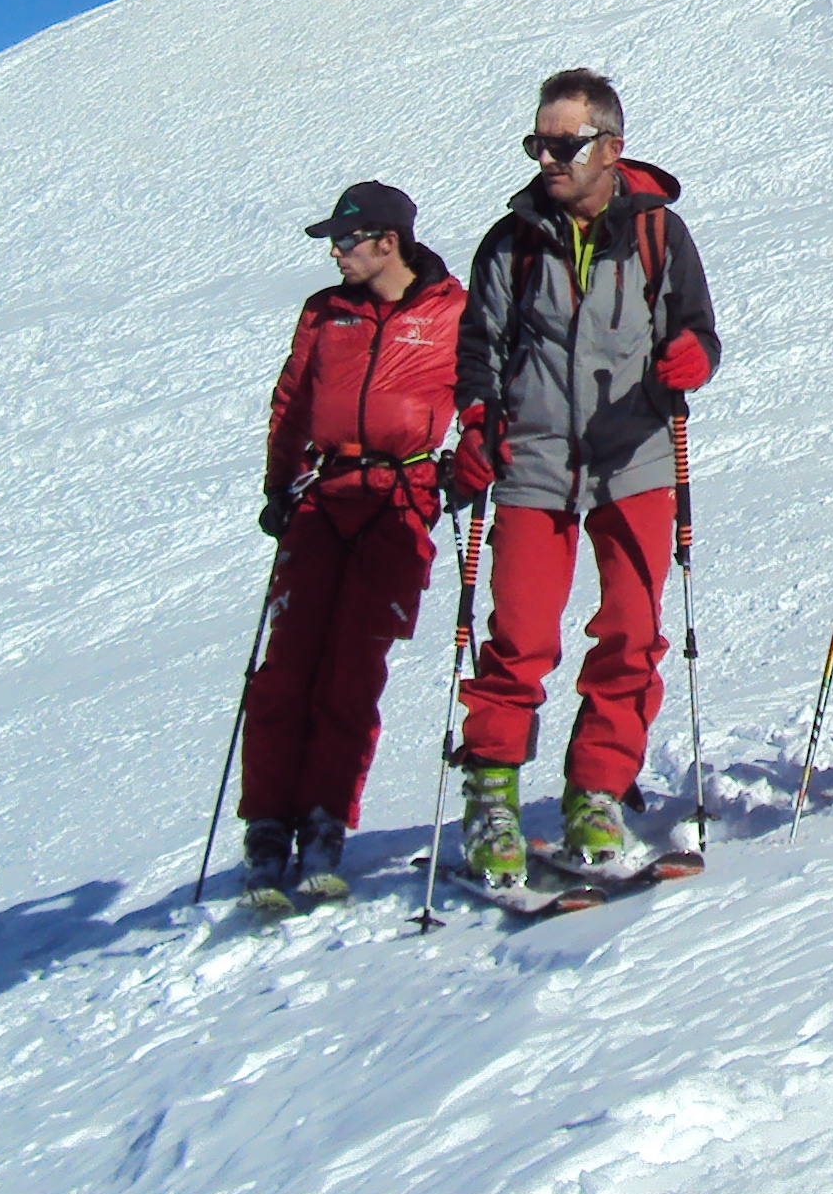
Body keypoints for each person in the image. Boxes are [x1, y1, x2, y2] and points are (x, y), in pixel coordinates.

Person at [447, 69, 723, 881]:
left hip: (632, 458)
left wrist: (690, 360)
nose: (549, 160)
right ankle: (491, 795)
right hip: (534, 463)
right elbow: (480, 348)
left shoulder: (658, 233)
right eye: (540, 144)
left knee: (633, 633)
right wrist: (475, 420)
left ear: (611, 145)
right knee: (521, 638)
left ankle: (596, 790)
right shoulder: (511, 242)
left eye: (564, 145)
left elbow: (700, 330)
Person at [243, 181, 462, 896]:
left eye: (345, 240)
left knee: (353, 668)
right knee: (287, 665)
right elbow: (293, 400)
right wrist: (280, 486)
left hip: (399, 498)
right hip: (322, 496)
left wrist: (472, 463)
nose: (335, 254)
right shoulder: (325, 312)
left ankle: (325, 821)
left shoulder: (450, 309)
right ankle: (268, 825)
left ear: (386, 242)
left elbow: (488, 392)